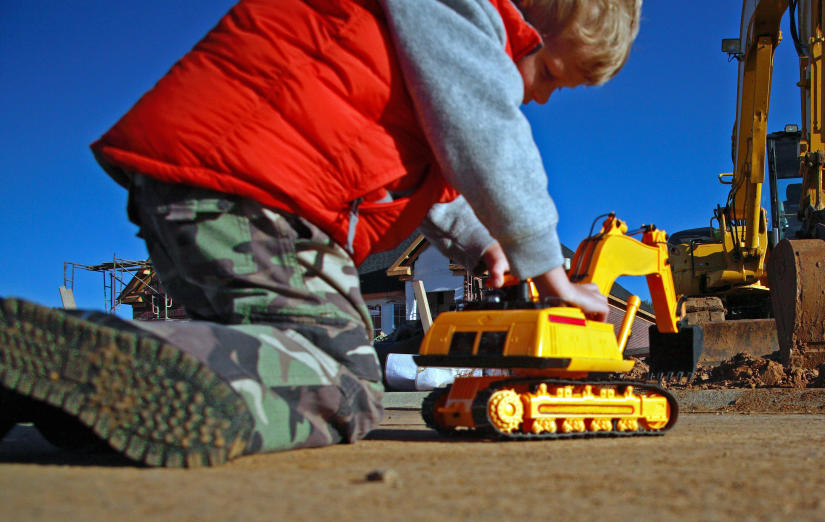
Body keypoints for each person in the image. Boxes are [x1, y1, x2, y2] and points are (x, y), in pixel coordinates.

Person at [0, 0, 642, 466]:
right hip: (259, 195)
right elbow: (487, 135)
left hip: (196, 187)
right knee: (342, 378)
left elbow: (435, 181)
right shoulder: (464, 16)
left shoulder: (415, 50)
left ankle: (61, 388)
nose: (545, 98)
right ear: (523, 20)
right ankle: (118, 356)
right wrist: (545, 264)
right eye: (552, 75)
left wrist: (485, 242)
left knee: (262, 343)